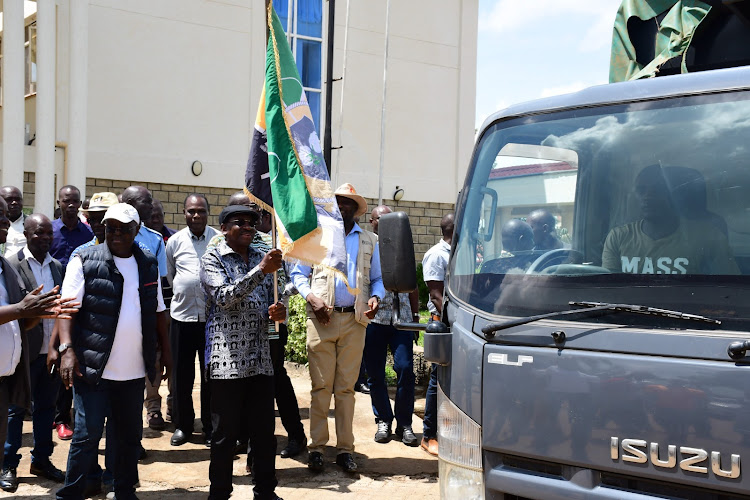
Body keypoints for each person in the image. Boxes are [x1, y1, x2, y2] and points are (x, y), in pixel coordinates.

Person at [55, 203, 166, 500]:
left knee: (128, 436)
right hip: (93, 368)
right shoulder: (84, 259)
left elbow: (158, 313)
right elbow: (66, 311)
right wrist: (67, 349)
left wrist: (165, 354)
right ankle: (72, 493)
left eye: (123, 229)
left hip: (132, 370)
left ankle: (123, 489)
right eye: (111, 228)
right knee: (87, 435)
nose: (116, 234)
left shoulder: (148, 262)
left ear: (136, 230)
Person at [289, 183, 384, 473]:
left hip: (355, 322)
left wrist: (376, 297)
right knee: (320, 388)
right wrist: (311, 298)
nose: (342, 207)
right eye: (338, 202)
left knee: (345, 390)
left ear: (356, 210)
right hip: (321, 320)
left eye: (348, 204)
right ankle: (317, 448)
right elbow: (298, 273)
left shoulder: (370, 240)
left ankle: (345, 450)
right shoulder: (316, 237)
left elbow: (377, 279)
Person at [201, 204, 285, 500]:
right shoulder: (213, 257)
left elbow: (276, 296)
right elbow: (223, 297)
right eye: (241, 223)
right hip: (227, 361)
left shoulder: (265, 258)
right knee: (224, 436)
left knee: (264, 435)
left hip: (261, 358)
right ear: (224, 228)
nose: (249, 227)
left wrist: (278, 310)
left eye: (252, 223)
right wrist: (260, 270)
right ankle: (220, 492)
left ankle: (265, 492)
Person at [0, 198, 76, 493]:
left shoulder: (58, 266)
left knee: (46, 408)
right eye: (38, 234)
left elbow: (59, 309)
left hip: (49, 350)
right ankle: (8, 463)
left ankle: (41, 460)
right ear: (27, 235)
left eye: (48, 234)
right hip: (23, 351)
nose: (44, 238)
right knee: (15, 409)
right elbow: (20, 309)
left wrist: (56, 346)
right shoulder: (12, 265)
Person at [602, 164, 739, 275]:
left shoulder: (709, 237)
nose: (647, 197)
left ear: (675, 194)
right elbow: (608, 291)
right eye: (641, 190)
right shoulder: (618, 237)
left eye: (657, 190)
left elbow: (729, 291)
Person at [364, 205, 420, 446]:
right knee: (375, 373)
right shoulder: (367, 247)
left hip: (402, 319)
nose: (385, 222)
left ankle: (405, 423)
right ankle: (383, 420)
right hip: (373, 319)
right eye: (381, 218)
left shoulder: (401, 245)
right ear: (372, 221)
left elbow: (414, 283)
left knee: (406, 369)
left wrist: (416, 315)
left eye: (389, 217)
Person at [167, 194, 218, 447]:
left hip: (212, 321)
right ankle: (183, 426)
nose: (195, 215)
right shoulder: (174, 242)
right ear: (184, 213)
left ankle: (210, 427)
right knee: (181, 376)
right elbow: (170, 276)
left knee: (211, 376)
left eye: (200, 211)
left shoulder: (218, 240)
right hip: (182, 318)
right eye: (190, 211)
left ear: (208, 213)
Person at [121, 186, 172, 432]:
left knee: (153, 358)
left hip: (148, 312)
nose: (151, 206)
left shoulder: (154, 239)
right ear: (130, 204)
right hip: (119, 315)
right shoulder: (114, 233)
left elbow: (161, 281)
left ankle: (152, 409)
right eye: (146, 201)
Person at [49, 185, 94, 441]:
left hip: (77, 307)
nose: (71, 205)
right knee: (52, 360)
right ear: (59, 202)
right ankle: (53, 415)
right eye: (67, 201)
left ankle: (66, 417)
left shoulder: (87, 233)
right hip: (52, 304)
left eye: (75, 201)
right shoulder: (52, 232)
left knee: (72, 362)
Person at [420, 212, 454, 456]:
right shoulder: (436, 255)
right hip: (443, 324)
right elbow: (435, 295)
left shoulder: (461, 253)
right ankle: (428, 435)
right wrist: (455, 321)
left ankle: (450, 430)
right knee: (437, 379)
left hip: (461, 324)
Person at [0, 186, 26, 258]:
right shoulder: (2, 224)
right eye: (9, 199)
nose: (14, 202)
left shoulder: (31, 224)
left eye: (18, 199)